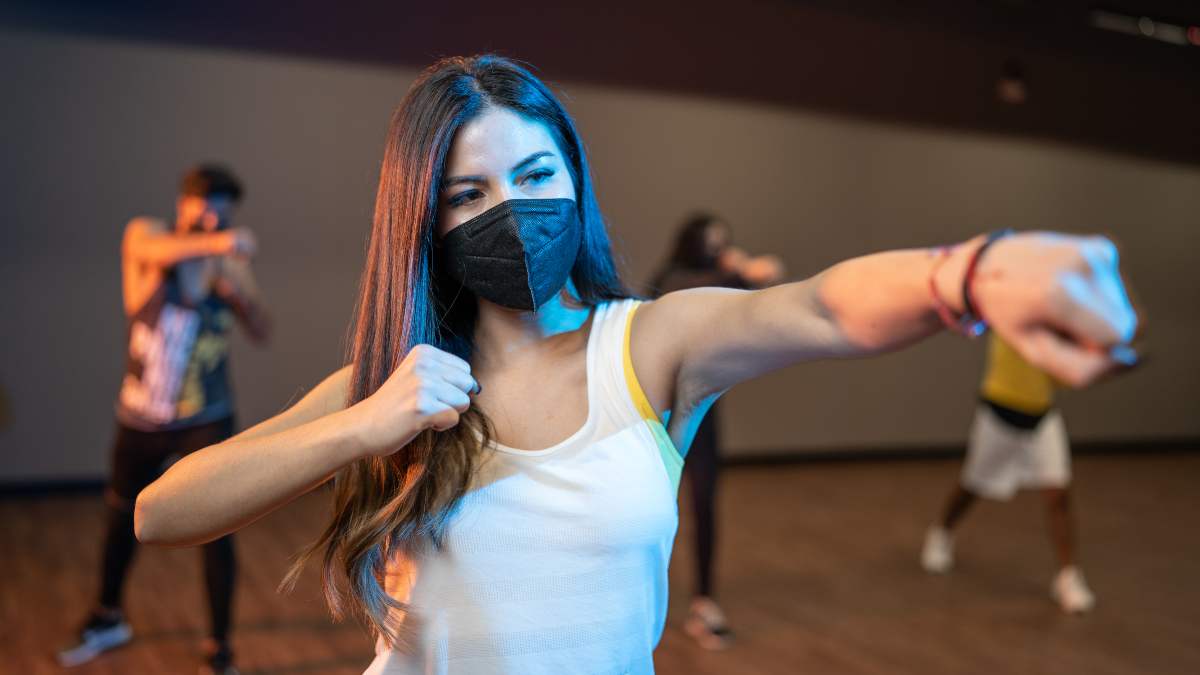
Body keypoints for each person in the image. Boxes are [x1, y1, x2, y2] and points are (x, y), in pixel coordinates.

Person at [133, 56, 1137, 675]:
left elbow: (823, 304)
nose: (511, 211)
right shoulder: (394, 381)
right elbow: (162, 511)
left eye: (534, 175)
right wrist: (361, 426)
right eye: (468, 193)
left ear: (574, 176)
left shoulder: (652, 344)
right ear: (426, 224)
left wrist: (970, 270)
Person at [60, 165, 270, 675]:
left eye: (221, 206)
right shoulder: (148, 235)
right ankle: (107, 615)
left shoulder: (225, 261)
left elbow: (261, 325)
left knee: (217, 527)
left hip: (206, 415)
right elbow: (154, 254)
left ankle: (219, 647)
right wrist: (220, 244)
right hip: (142, 415)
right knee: (120, 516)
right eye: (204, 203)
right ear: (184, 203)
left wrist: (236, 291)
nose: (212, 215)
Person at [650, 213, 784, 649]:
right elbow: (688, 290)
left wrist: (749, 277)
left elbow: (753, 298)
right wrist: (739, 270)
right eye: (709, 241)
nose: (716, 247)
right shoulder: (672, 280)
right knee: (649, 507)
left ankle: (704, 602)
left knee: (705, 502)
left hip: (702, 411)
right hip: (655, 411)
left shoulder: (725, 281)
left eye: (721, 241)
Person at [921, 333, 1093, 613]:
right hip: (998, 413)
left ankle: (1068, 576)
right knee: (972, 485)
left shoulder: (1059, 322)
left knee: (1058, 494)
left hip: (1041, 417)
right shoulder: (1010, 309)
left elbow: (1065, 373)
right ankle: (941, 533)